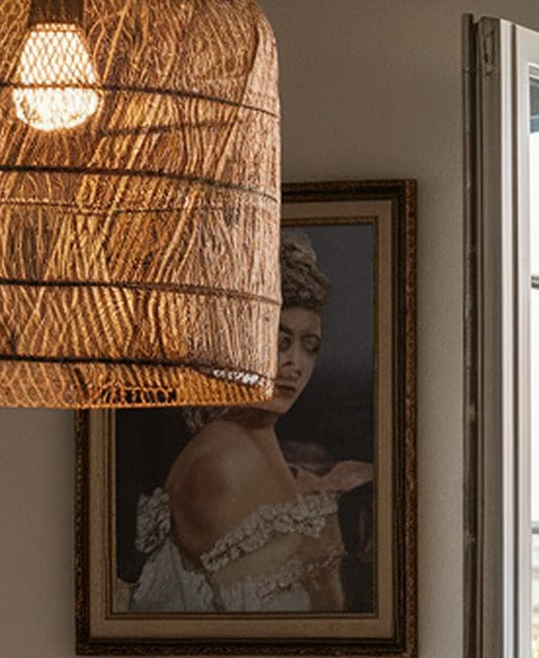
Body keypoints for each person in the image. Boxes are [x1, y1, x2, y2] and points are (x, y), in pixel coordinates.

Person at [130, 232, 373, 612]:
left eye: (310, 347)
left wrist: (325, 489)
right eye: (280, 343)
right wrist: (330, 519)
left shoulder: (255, 435)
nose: (295, 364)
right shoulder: (224, 458)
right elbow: (264, 612)